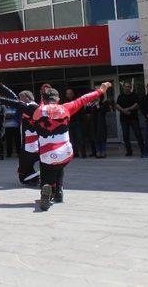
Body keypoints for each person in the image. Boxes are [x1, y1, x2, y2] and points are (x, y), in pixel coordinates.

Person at [33, 82, 111, 211]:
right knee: (59, 166)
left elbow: (19, 105)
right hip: (65, 152)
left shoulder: (38, 110)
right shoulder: (65, 107)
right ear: (57, 99)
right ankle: (58, 193)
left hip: (46, 152)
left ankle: (48, 187)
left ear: (44, 100)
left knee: (48, 168)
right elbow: (83, 100)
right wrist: (100, 91)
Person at [0, 85, 40, 186]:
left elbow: (11, 101)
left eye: (21, 99)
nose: (19, 100)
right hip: (27, 141)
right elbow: (12, 96)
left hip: (32, 142)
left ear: (27, 98)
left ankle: (36, 178)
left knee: (24, 165)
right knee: (25, 164)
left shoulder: (33, 107)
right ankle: (34, 178)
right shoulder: (25, 105)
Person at [115, 82, 144, 156]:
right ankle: (129, 152)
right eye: (126, 86)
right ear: (123, 87)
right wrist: (123, 110)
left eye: (128, 86)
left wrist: (128, 109)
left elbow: (137, 104)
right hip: (124, 119)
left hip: (133, 118)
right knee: (125, 136)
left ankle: (143, 151)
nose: (127, 88)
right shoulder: (120, 96)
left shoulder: (134, 95)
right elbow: (117, 105)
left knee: (138, 134)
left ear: (130, 87)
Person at [65, 89, 86, 158]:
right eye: (68, 94)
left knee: (80, 138)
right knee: (72, 139)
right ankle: (75, 153)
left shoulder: (77, 101)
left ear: (73, 93)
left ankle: (83, 153)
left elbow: (82, 111)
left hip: (78, 122)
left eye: (70, 93)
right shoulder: (65, 102)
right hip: (70, 122)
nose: (69, 95)